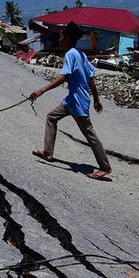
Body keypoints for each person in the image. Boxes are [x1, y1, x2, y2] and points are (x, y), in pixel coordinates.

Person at [29, 22, 111, 180]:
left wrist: (42, 90)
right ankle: (48, 153)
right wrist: (96, 99)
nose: (59, 38)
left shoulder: (71, 54)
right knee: (52, 117)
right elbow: (91, 79)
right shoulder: (80, 54)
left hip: (78, 102)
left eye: (61, 36)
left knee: (90, 134)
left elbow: (64, 76)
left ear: (67, 39)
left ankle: (105, 167)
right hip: (71, 101)